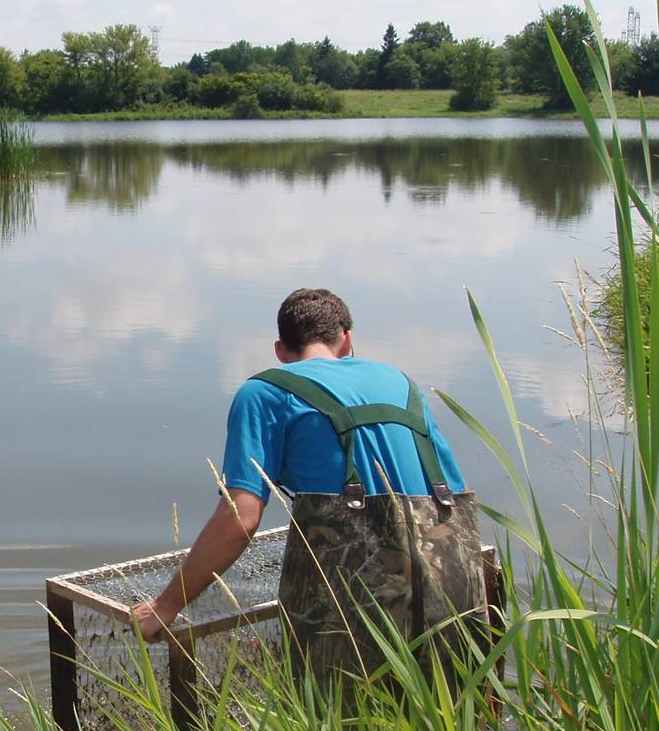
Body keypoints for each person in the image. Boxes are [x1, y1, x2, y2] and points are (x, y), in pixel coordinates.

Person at [133, 288, 486, 683]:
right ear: (347, 340)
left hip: (353, 606)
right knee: (450, 706)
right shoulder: (403, 384)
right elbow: (454, 494)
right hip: (449, 587)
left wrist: (165, 606)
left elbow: (240, 518)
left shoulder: (264, 393)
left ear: (280, 351)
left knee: (343, 716)